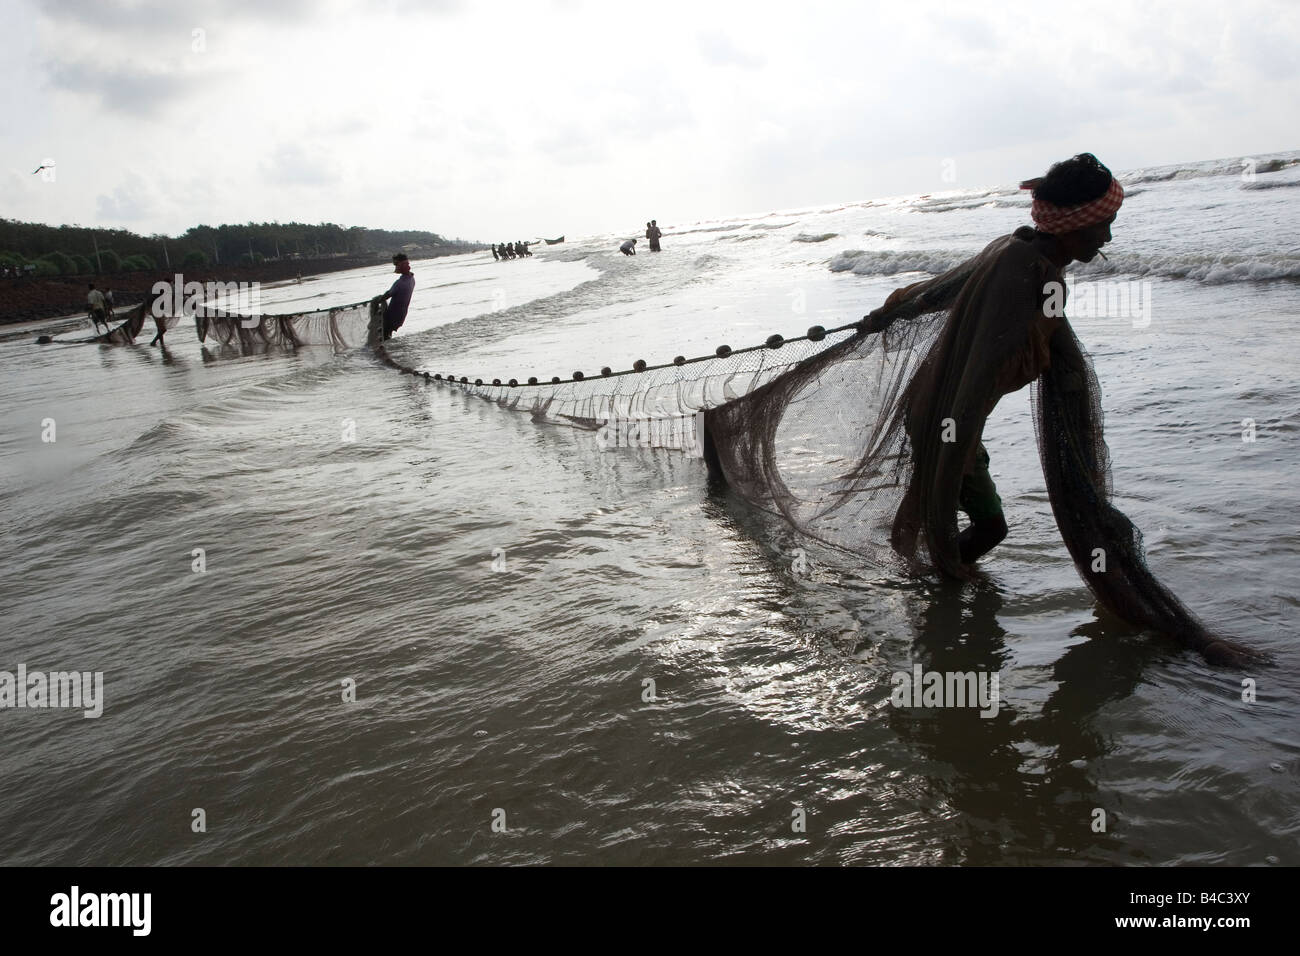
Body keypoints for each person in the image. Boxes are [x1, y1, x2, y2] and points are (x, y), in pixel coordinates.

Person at [863, 151, 1122, 568]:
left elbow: (936, 291)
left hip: (934, 406)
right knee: (988, 526)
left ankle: (914, 566)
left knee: (932, 496)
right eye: (1102, 225)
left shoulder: (1009, 246)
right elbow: (1015, 360)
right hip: (952, 419)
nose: (1106, 238)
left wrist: (888, 311)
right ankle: (932, 580)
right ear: (1075, 223)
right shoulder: (1044, 278)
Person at [377, 253, 415, 340]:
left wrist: (377, 300)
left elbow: (388, 294)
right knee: (388, 335)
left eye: (396, 264)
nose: (396, 267)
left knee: (385, 336)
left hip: (392, 315)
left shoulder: (400, 283)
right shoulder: (411, 279)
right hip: (401, 315)